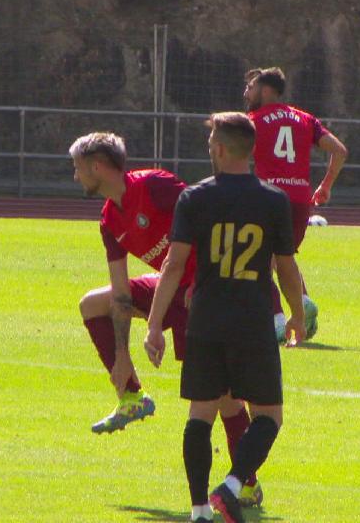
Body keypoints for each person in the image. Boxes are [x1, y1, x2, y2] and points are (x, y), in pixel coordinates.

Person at [70, 132, 267, 505]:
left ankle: (248, 484)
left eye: (78, 168)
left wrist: (203, 280)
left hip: (205, 294)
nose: (75, 176)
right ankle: (131, 396)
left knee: (222, 397)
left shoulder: (154, 185)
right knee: (93, 304)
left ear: (97, 165)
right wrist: (123, 356)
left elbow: (210, 221)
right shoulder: (109, 219)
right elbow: (121, 294)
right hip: (168, 287)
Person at [144, 112, 305, 523]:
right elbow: (286, 266)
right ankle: (230, 487)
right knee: (269, 416)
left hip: (206, 321)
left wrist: (154, 324)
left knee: (201, 414)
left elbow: (174, 265)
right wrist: (297, 316)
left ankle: (199, 510)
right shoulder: (273, 200)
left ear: (218, 148)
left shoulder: (194, 197)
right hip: (252, 320)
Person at [244, 67, 348, 339]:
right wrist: (325, 185)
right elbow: (339, 151)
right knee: (283, 259)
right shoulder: (305, 118)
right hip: (301, 202)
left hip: (269, 198)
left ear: (266, 90)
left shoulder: (253, 119)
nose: (246, 92)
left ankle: (277, 322)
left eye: (251, 87)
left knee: (260, 264)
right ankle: (301, 303)